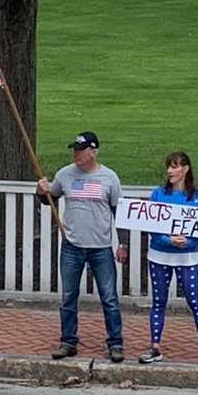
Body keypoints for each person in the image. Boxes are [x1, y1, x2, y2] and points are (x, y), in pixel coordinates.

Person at [36, 131, 128, 363]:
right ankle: (68, 341)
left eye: (81, 150)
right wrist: (42, 191)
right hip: (72, 246)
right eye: (74, 150)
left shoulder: (109, 178)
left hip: (101, 247)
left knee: (109, 297)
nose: (76, 154)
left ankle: (115, 343)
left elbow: (119, 212)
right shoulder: (65, 175)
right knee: (68, 296)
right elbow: (51, 198)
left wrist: (122, 243)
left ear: (93, 151)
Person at [138, 151, 198, 369]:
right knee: (158, 302)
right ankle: (155, 346)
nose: (170, 171)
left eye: (174, 166)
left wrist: (187, 242)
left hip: (186, 258)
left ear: (185, 169)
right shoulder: (158, 194)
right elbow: (151, 228)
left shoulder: (197, 198)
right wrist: (168, 239)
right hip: (159, 256)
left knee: (195, 301)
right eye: (168, 166)